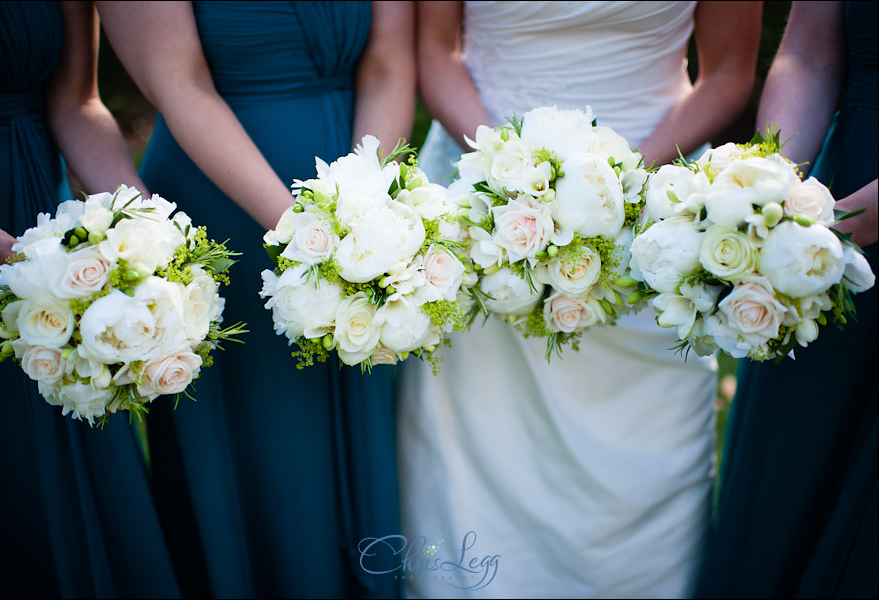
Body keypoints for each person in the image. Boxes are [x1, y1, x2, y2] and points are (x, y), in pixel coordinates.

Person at [397, 2, 761, 597]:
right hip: (482, 198)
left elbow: (727, 75)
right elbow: (436, 50)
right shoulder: (490, 183)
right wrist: (500, 180)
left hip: (650, 207)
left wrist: (615, 189)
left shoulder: (639, 194)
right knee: (480, 439)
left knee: (647, 445)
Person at [95, 2, 416, 597]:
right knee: (268, 456)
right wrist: (307, 238)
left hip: (357, 187)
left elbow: (387, 64)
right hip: (226, 204)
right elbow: (178, 81)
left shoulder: (363, 211)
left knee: (363, 402)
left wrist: (367, 209)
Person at [0, 1, 181, 597]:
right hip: (24, 254)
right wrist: (19, 263)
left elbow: (75, 102)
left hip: (37, 216)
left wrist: (148, 229)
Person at [694, 2, 877, 597]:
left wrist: (836, 232)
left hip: (838, 226)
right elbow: (809, 52)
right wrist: (770, 193)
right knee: (793, 478)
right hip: (839, 188)